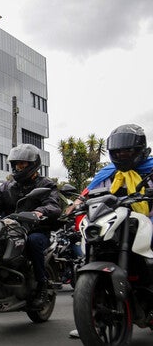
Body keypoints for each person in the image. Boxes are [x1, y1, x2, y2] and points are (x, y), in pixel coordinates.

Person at [65, 124, 153, 339]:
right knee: (91, 249)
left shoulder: (151, 169)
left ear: (140, 150)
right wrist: (76, 203)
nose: (122, 155)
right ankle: (90, 319)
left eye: (127, 151)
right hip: (115, 221)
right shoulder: (109, 173)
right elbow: (89, 193)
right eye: (118, 152)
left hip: (146, 220)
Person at [0, 143, 61, 308]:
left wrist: (39, 212)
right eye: (16, 164)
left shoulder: (45, 184)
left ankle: (41, 286)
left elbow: (53, 206)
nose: (18, 167)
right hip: (10, 230)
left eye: (22, 164)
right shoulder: (6, 186)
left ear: (33, 164)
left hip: (36, 230)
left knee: (33, 242)